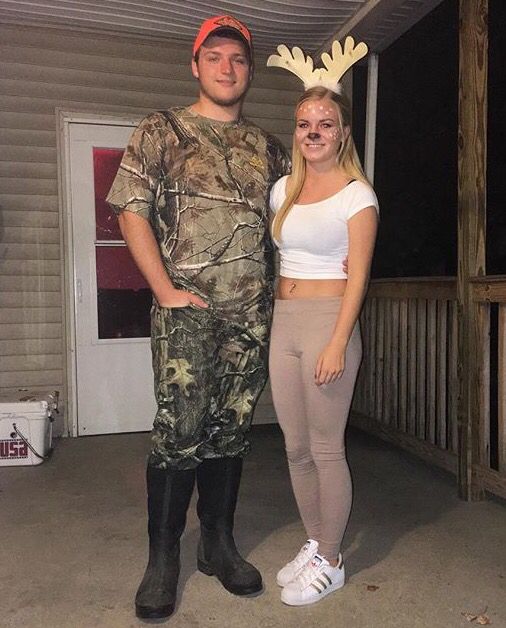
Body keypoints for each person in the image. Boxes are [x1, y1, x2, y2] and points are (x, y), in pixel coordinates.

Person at [106, 15, 290, 620]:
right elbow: (131, 210)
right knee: (179, 431)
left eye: (237, 59)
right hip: (187, 313)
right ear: (195, 64)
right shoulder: (162, 130)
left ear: (248, 71)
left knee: (232, 430)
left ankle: (217, 541)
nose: (226, 68)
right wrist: (163, 289)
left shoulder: (268, 148)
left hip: (250, 316)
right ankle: (163, 558)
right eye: (214, 57)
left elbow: (294, 223)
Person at [267, 39, 379, 607]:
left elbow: (358, 276)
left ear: (341, 132)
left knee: (326, 447)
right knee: (294, 448)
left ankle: (331, 561)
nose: (314, 131)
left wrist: (338, 341)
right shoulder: (282, 191)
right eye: (305, 123)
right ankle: (316, 542)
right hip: (284, 323)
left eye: (325, 123)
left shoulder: (357, 195)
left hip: (328, 324)